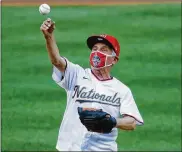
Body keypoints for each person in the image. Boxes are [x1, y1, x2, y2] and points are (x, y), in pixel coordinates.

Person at [40, 18, 144, 151]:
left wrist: (112, 121)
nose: (96, 52)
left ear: (114, 59)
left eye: (104, 49)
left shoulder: (122, 90)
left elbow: (132, 122)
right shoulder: (76, 74)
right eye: (94, 48)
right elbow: (56, 61)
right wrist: (49, 37)